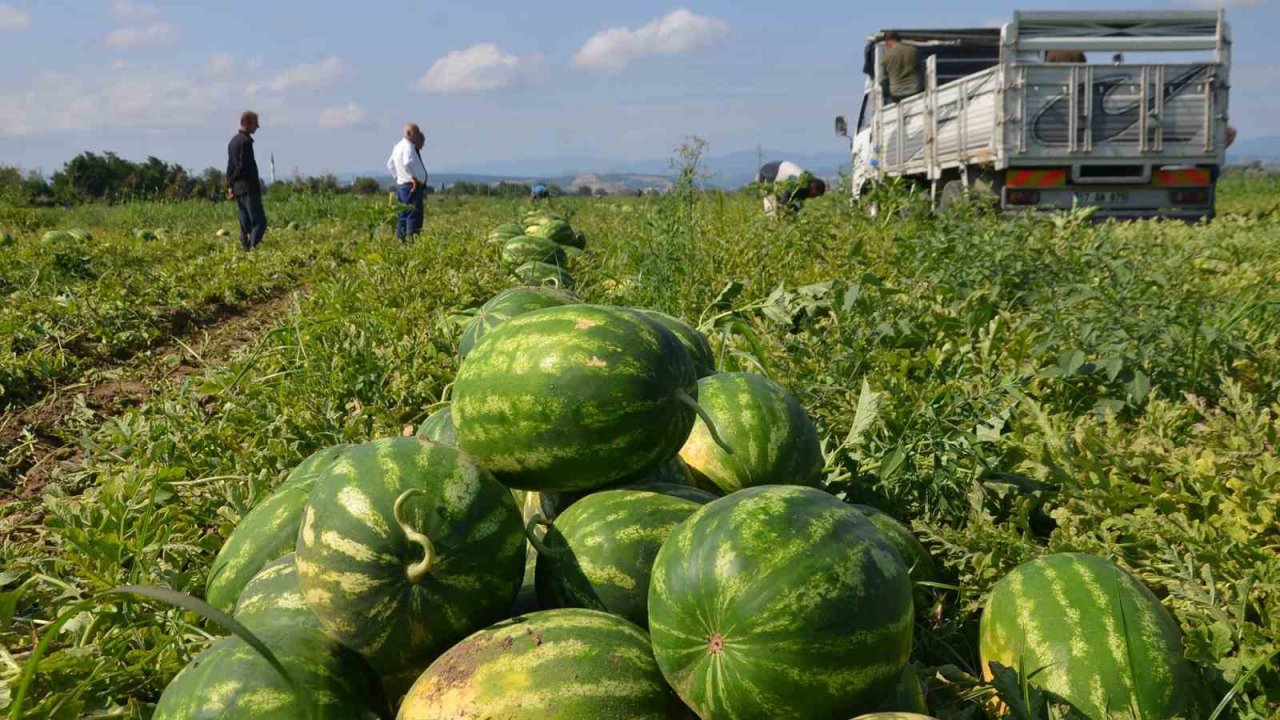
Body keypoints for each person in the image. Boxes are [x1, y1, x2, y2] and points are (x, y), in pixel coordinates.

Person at [226, 111, 267, 252]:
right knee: (259, 222)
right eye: (256, 123)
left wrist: (230, 186)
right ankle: (252, 249)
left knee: (245, 223)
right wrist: (235, 180)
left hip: (238, 189)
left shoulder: (233, 142)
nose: (258, 126)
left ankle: (245, 248)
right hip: (248, 187)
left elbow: (230, 167)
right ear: (247, 122)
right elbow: (241, 167)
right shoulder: (246, 142)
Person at [386, 122, 428, 241]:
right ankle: (411, 242)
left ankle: (401, 240)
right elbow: (407, 162)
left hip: (402, 186)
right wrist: (413, 178)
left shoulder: (397, 146)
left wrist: (399, 177)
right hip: (412, 186)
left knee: (402, 214)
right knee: (413, 215)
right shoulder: (408, 146)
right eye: (416, 133)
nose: (418, 135)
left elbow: (390, 165)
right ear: (409, 133)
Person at [756, 161, 827, 217]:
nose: (814, 197)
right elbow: (786, 197)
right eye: (815, 194)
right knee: (772, 213)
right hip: (769, 174)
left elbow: (795, 204)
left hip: (779, 170)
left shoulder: (805, 183)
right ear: (813, 189)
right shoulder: (799, 183)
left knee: (783, 210)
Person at [879, 32, 921, 105]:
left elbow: (882, 79)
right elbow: (922, 70)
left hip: (896, 94)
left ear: (888, 41)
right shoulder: (913, 50)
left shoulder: (886, 57)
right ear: (899, 39)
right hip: (915, 90)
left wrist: (888, 94)